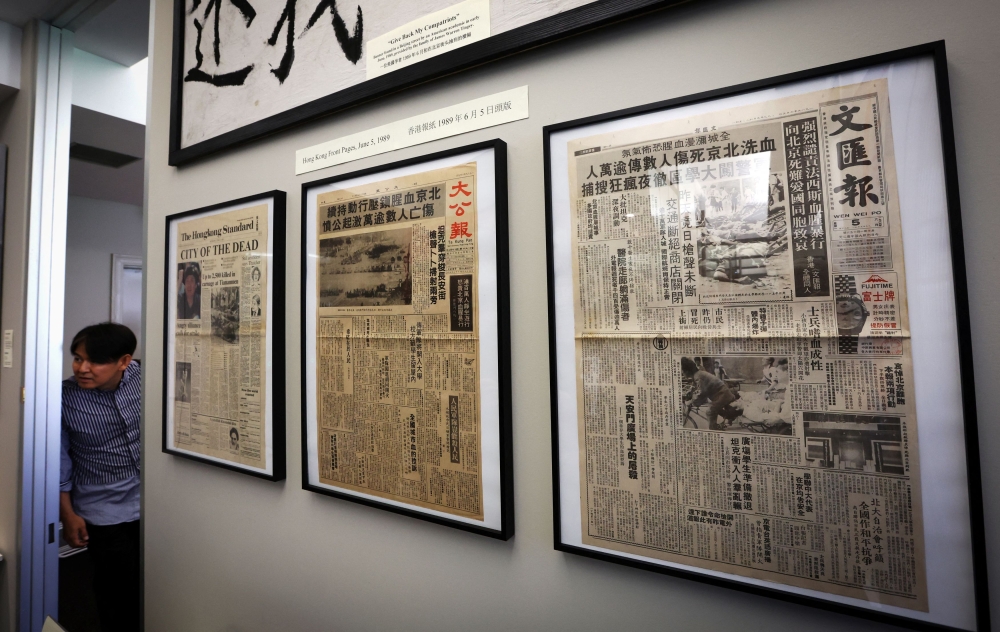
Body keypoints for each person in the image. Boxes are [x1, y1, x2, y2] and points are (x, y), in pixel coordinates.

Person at [60, 323, 141, 632]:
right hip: (102, 507)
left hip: (152, 501)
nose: (83, 368)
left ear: (124, 361)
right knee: (115, 589)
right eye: (78, 358)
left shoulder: (146, 380)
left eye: (95, 361)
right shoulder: (65, 399)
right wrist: (67, 513)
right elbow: (59, 462)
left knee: (153, 580)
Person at [682, 356, 737, 430]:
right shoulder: (697, 375)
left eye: (682, 371)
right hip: (721, 394)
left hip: (723, 394)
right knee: (715, 408)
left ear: (687, 371)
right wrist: (688, 394)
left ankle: (714, 430)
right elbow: (694, 387)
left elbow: (701, 393)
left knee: (710, 412)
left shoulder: (698, 376)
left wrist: (692, 402)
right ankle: (731, 415)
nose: (682, 373)